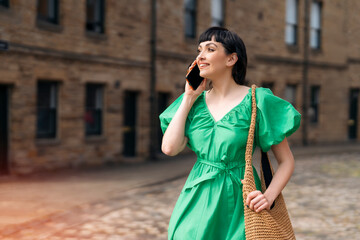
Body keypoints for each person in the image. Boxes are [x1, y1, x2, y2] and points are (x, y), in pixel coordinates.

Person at [159, 26, 301, 240]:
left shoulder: (258, 101)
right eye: (199, 50)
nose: (200, 56)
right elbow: (169, 148)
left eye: (210, 49)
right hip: (197, 196)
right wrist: (189, 96)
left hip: (241, 199)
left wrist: (268, 196)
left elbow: (286, 161)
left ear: (231, 59)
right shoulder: (193, 103)